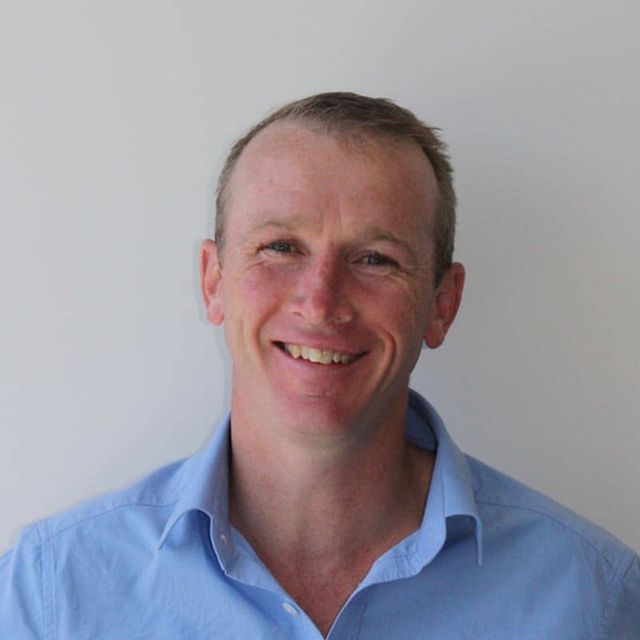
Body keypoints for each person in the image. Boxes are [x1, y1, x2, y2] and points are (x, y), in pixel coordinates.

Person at [1, 92, 638, 639]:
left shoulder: (592, 598)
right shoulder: (50, 594)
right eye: (280, 247)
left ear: (442, 304)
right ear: (213, 282)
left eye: (375, 259)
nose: (321, 301)